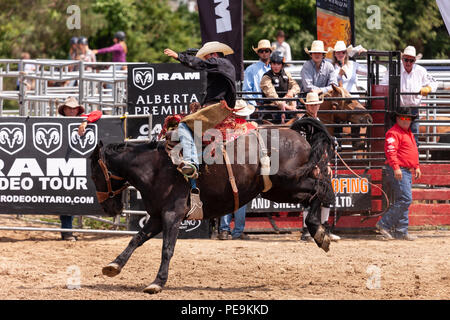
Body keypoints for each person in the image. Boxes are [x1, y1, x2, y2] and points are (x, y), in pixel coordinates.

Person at [163, 41, 236, 177]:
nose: (206, 60)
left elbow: (201, 64)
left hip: (218, 108)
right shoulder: (223, 66)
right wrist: (201, 105)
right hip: (218, 106)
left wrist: (178, 56)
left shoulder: (220, 63)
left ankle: (191, 163)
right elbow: (216, 90)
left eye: (207, 57)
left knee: (184, 125)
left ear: (213, 55)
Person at [57, 97, 103, 240]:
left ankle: (67, 231)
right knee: (64, 196)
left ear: (78, 110)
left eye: (74, 108)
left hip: (77, 164)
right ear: (63, 110)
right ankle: (67, 231)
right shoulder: (57, 122)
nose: (71, 110)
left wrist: (86, 121)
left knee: (71, 196)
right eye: (69, 108)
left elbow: (98, 113)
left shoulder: (83, 119)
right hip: (60, 163)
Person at [297, 92, 340, 242]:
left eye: (316, 104)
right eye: (311, 104)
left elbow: (322, 145)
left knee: (326, 195)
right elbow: (303, 147)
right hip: (308, 164)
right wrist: (313, 165)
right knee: (309, 197)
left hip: (320, 163)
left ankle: (323, 230)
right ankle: (306, 231)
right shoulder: (304, 122)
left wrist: (326, 162)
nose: (314, 106)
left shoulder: (317, 121)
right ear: (307, 105)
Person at [376, 107, 421, 241]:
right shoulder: (394, 133)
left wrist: (416, 166)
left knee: (404, 199)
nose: (407, 121)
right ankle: (384, 224)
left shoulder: (407, 133)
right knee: (405, 199)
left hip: (404, 169)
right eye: (404, 118)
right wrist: (396, 167)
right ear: (398, 119)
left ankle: (401, 230)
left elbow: (412, 151)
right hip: (399, 169)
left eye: (409, 118)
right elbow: (391, 152)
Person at [217, 101, 257, 241]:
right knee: (241, 199)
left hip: (226, 167)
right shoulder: (250, 127)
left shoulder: (226, 127)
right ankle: (237, 231)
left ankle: (224, 230)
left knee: (227, 197)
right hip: (244, 168)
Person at [381, 46, 437, 145]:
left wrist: (428, 88)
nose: (408, 63)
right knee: (397, 136)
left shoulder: (421, 71)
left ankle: (413, 158)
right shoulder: (394, 69)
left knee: (413, 135)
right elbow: (383, 84)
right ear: (402, 59)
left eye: (411, 61)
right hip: (398, 108)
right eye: (406, 60)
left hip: (413, 108)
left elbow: (434, 82)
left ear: (414, 60)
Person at [260, 51, 300, 123]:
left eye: (278, 64)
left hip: (287, 112)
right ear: (270, 64)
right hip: (271, 111)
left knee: (294, 130)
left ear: (282, 65)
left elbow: (296, 86)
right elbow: (272, 95)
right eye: (274, 63)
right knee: (272, 133)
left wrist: (291, 92)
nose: (276, 66)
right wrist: (287, 107)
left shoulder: (286, 74)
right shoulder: (266, 77)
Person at [242, 39, 274, 106]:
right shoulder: (250, 69)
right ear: (258, 53)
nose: (264, 53)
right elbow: (246, 91)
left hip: (275, 105)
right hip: (258, 105)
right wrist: (254, 105)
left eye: (266, 51)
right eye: (261, 51)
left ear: (270, 52)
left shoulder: (275, 68)